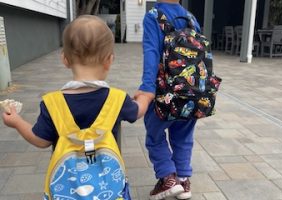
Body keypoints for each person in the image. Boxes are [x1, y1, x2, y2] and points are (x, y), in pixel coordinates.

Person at [2, 13, 151, 184]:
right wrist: (145, 98)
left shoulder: (52, 104)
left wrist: (17, 122)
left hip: (68, 186)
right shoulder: (117, 99)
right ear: (109, 60)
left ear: (65, 59)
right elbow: (137, 111)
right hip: (108, 185)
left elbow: (41, 140)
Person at [134, 1, 202, 200]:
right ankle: (184, 181)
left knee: (154, 136)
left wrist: (147, 88)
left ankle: (167, 178)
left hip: (165, 93)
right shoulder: (191, 18)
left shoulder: (154, 16)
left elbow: (151, 53)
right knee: (183, 137)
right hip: (192, 92)